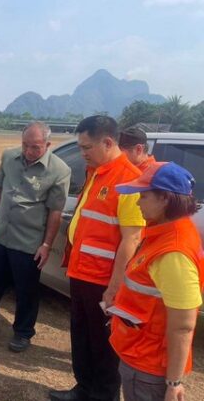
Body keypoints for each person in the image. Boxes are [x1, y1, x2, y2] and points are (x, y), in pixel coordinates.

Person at [50, 115, 145, 401]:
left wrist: (115, 286)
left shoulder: (128, 180)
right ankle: (83, 388)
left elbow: (132, 238)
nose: (82, 153)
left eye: (86, 147)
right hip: (81, 273)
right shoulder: (98, 171)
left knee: (103, 346)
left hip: (103, 280)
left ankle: (102, 396)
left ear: (107, 142)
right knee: (81, 337)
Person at [0, 122, 71, 352]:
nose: (29, 151)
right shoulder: (9, 156)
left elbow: (55, 212)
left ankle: (23, 332)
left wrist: (46, 244)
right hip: (1, 234)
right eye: (25, 145)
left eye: (35, 147)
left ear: (48, 145)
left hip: (29, 241)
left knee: (26, 290)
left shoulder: (60, 171)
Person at [109, 162, 203, 401]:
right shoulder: (163, 232)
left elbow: (183, 325)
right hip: (140, 352)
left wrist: (173, 383)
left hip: (148, 365)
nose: (138, 202)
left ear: (164, 199)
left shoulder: (173, 252)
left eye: (143, 196)